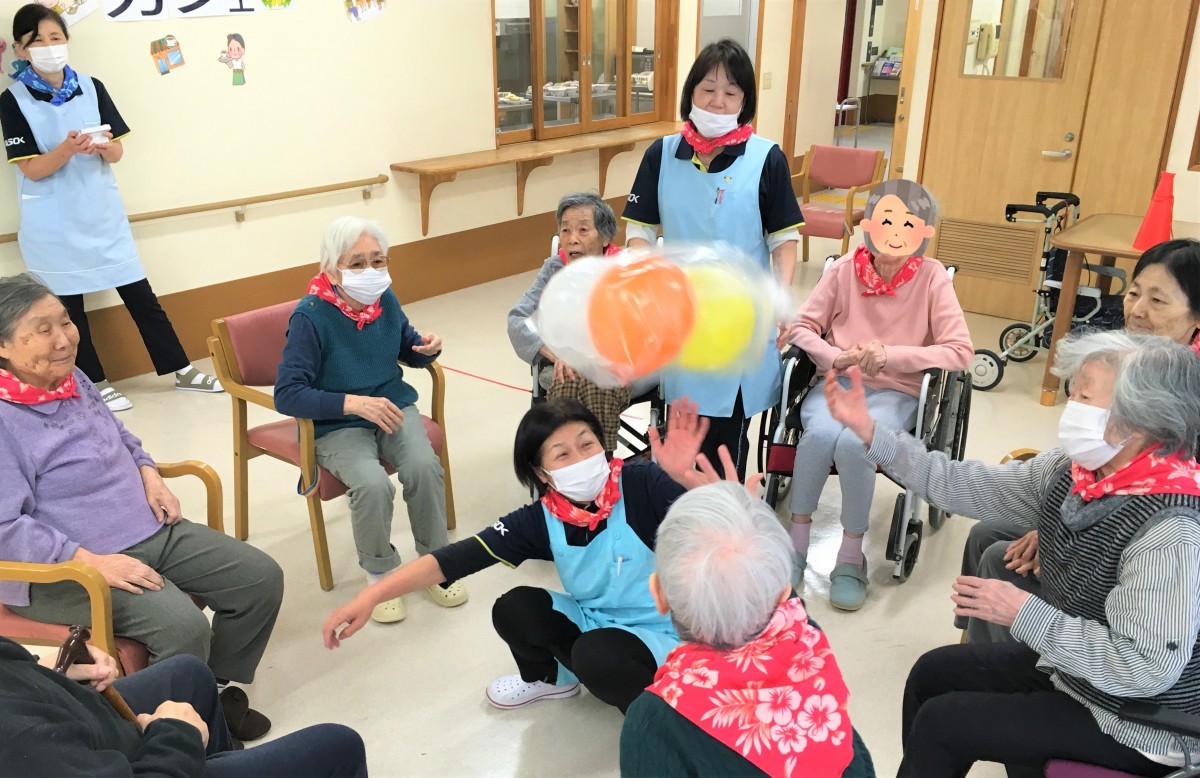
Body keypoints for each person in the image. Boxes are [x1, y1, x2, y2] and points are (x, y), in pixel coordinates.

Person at [823, 330, 1200, 777]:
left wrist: (1022, 611)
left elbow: (1145, 668)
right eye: (1073, 392)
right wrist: (869, 430)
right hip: (1078, 673)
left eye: (1085, 396)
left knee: (944, 725)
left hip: (1139, 720)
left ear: (1138, 418)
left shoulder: (1170, 531)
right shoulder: (1076, 473)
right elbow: (959, 484)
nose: (1071, 406)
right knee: (931, 675)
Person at [0, 272, 283, 741]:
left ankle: (208, 693)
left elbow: (120, 436)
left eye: (65, 322)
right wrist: (91, 562)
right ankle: (166, 734)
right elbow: (5, 525)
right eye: (42, 330)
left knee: (259, 580)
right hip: (63, 568)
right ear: (4, 346)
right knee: (183, 628)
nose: (64, 339)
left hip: (148, 527)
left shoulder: (73, 378)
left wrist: (149, 472)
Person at [324, 397, 725, 714]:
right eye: (562, 454)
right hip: (596, 619)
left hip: (670, 630)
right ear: (541, 473)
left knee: (599, 658)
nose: (581, 459)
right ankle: (553, 679)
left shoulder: (641, 482)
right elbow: (454, 559)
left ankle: (654, 716)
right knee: (515, 608)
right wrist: (373, 594)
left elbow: (721, 535)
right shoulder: (540, 519)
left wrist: (685, 482)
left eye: (587, 444)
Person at [960, 237, 1200, 643]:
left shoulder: (1185, 391)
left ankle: (1018, 664)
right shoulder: (1123, 358)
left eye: (1158, 301)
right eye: (1134, 293)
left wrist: (1059, 531)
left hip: (1152, 549)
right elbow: (1091, 459)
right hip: (1099, 503)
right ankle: (977, 649)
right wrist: (1055, 520)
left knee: (998, 556)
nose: (1137, 311)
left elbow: (1169, 507)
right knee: (985, 533)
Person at [0, 4, 221, 413]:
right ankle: (95, 382)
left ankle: (182, 369)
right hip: (54, 224)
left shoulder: (91, 86)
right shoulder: (13, 100)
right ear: (20, 49)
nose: (50, 46)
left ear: (67, 40)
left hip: (101, 214)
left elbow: (117, 150)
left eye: (56, 37)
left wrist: (104, 148)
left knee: (142, 298)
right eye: (38, 41)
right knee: (70, 311)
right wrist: (68, 149)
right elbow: (31, 169)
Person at [782, 180, 972, 611]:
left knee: (856, 443)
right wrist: (833, 356)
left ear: (923, 231)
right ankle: (795, 544)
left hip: (896, 391)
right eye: (886, 221)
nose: (895, 232)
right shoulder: (843, 270)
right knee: (817, 436)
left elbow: (960, 351)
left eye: (908, 224)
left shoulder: (932, 278)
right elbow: (801, 327)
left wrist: (891, 355)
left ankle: (851, 556)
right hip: (837, 384)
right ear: (868, 225)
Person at [622, 38, 802, 479]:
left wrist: (780, 299)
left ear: (745, 102)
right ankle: (681, 509)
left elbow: (783, 240)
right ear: (691, 93)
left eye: (730, 92)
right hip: (681, 317)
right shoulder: (662, 154)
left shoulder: (766, 158)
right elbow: (639, 231)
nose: (718, 101)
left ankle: (725, 513)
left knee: (724, 442)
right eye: (708, 89)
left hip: (739, 321)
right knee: (682, 432)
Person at [275, 215, 466, 625]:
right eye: (357, 263)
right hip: (337, 422)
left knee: (423, 465)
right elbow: (287, 393)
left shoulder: (384, 300)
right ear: (332, 269)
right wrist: (352, 403)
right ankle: (380, 577)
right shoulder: (310, 317)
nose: (371, 272)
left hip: (391, 406)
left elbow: (405, 346)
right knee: (372, 484)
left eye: (378, 261)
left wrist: (426, 349)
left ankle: (435, 561)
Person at [620, 480, 877, 778]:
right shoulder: (803, 640)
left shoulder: (654, 721)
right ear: (783, 593)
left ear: (659, 595)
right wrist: (749, 530)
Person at [0, 636, 367, 776]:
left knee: (188, 674)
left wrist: (42, 669)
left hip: (59, 727)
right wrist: (176, 737)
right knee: (337, 746)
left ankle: (210, 763)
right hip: (107, 761)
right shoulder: (17, 739)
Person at [509, 191, 654, 454]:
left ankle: (594, 462)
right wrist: (554, 354)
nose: (572, 239)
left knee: (598, 378)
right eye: (565, 230)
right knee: (572, 378)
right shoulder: (554, 268)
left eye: (583, 230)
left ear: (605, 237)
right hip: (566, 364)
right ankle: (577, 461)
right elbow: (517, 318)